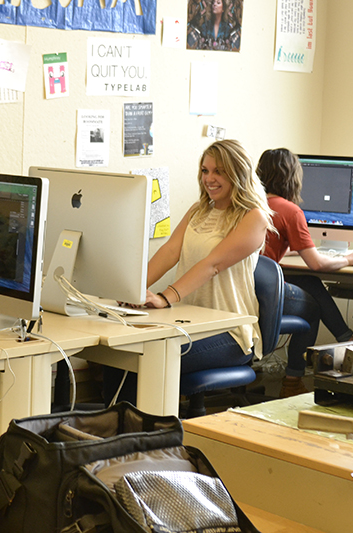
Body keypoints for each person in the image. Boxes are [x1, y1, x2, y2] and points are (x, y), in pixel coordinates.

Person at [104, 139, 271, 405]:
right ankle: (117, 433)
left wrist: (166, 297)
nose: (210, 179)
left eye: (219, 171)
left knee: (150, 359)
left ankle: (148, 435)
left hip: (229, 333)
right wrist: (131, 290)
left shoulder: (253, 218)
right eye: (205, 171)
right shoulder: (198, 210)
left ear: (238, 174)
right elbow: (170, 252)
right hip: (188, 322)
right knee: (119, 356)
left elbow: (212, 264)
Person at [257, 148, 353, 397]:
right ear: (292, 176)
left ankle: (344, 339)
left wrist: (293, 250)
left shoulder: (252, 204)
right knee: (313, 305)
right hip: (263, 291)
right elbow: (317, 264)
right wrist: (348, 258)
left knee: (309, 282)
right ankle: (293, 380)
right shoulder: (289, 210)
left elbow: (263, 253)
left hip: (247, 285)